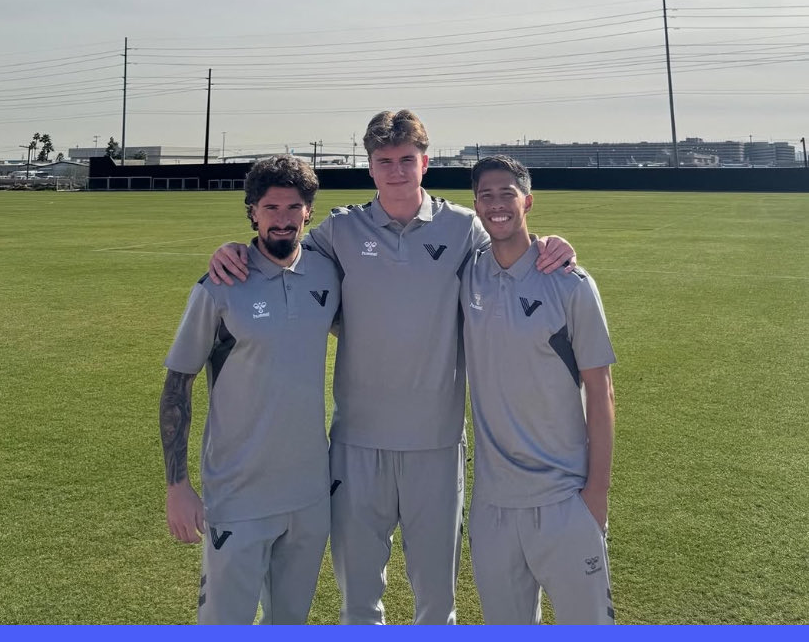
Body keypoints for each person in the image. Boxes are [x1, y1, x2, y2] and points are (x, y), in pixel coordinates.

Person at [207, 110, 576, 625]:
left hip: (436, 444)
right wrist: (234, 249)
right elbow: (281, 256)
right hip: (357, 445)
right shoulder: (338, 229)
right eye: (385, 161)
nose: (397, 171)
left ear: (425, 162)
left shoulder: (462, 228)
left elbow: (511, 251)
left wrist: (551, 243)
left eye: (407, 159)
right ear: (371, 167)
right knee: (359, 602)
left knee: (436, 604)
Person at [159, 155, 340, 625]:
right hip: (238, 495)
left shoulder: (327, 276)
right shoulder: (220, 285)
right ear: (252, 212)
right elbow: (178, 384)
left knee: (290, 622)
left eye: (293, 207)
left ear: (308, 212)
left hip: (309, 493)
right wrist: (177, 485)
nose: (282, 219)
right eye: (271, 207)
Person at [461, 155, 616, 625]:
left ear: (527, 201)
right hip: (492, 507)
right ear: (476, 207)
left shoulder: (571, 283)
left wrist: (597, 494)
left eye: (507, 193)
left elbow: (601, 391)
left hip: (564, 499)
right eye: (486, 196)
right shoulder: (465, 275)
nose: (496, 204)